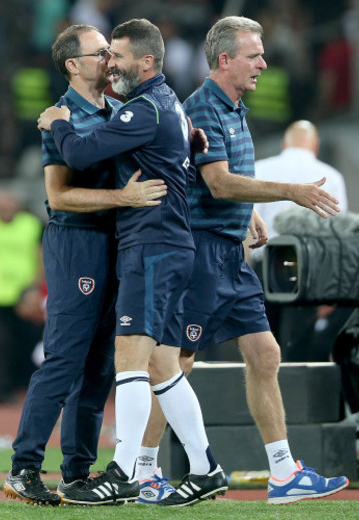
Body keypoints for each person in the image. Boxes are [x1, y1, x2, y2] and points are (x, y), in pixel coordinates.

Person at [138, 16, 349, 506]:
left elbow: (224, 178)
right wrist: (289, 192)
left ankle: (283, 473)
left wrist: (249, 210)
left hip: (231, 255)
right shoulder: (204, 108)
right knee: (176, 364)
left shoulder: (233, 108)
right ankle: (142, 470)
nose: (264, 63)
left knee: (265, 354)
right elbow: (217, 183)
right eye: (254, 54)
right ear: (225, 59)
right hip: (202, 255)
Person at [36, 18, 227, 507]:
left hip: (152, 247)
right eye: (104, 55)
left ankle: (123, 471)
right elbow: (181, 135)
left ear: (145, 62)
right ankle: (206, 468)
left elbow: (77, 150)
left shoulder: (143, 109)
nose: (110, 64)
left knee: (128, 359)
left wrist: (56, 120)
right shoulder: (168, 106)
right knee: (163, 365)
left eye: (116, 56)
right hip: (167, 246)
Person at [3, 23, 169, 507]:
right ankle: (24, 467)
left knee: (100, 366)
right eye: (100, 53)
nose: (110, 61)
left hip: (115, 241)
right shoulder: (60, 115)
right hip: (76, 240)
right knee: (65, 357)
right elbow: (58, 195)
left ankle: (77, 472)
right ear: (73, 64)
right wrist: (124, 197)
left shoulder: (120, 110)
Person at [253, 120, 350, 361]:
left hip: (263, 266)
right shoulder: (332, 177)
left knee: (261, 344)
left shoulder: (258, 169)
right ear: (315, 146)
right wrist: (334, 287)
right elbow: (339, 236)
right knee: (298, 349)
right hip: (308, 269)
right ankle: (296, 396)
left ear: (284, 143)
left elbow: (245, 226)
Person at [0, 190, 44, 404]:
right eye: (0, 205)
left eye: (8, 204)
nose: (5, 209)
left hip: (23, 293)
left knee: (27, 341)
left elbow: (41, 254)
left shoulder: (30, 224)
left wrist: (37, 284)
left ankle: (26, 385)